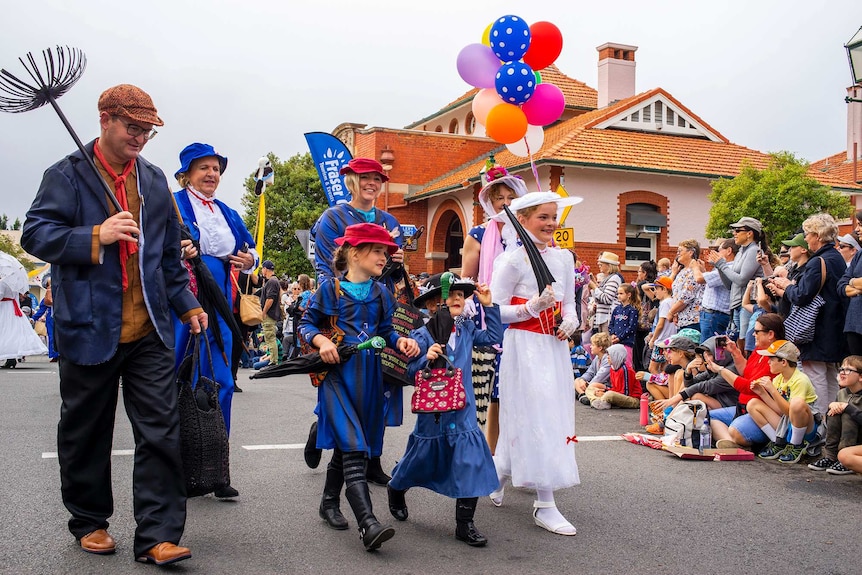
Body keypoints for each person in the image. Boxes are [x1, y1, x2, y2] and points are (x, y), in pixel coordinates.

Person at [21, 84, 207, 566]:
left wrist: (187, 303)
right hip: (88, 326)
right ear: (105, 119)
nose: (142, 137)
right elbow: (36, 233)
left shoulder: (153, 179)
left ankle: (158, 535)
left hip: (149, 329)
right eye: (133, 127)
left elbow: (167, 256)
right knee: (86, 431)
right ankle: (89, 521)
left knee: (161, 432)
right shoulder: (66, 174)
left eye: (148, 129)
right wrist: (94, 235)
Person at [299, 223, 420, 551]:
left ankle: (328, 502)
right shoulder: (331, 289)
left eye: (386, 251)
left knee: (350, 445)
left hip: (370, 378)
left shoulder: (382, 292)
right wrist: (322, 340)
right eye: (378, 250)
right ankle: (368, 523)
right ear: (355, 253)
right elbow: (306, 323)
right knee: (353, 446)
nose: (385, 256)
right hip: (338, 376)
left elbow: (387, 330)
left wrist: (402, 341)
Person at [489, 190, 582, 536]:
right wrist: (529, 308)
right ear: (523, 219)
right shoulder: (511, 261)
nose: (550, 223)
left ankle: (497, 473)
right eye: (543, 217)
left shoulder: (563, 259)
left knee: (551, 413)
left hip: (554, 348)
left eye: (553, 216)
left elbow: (570, 302)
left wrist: (570, 322)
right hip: (523, 346)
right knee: (535, 413)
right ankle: (545, 503)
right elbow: (493, 311)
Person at [307, 158, 404, 485]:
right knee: (345, 383)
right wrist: (338, 301)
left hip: (379, 307)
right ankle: (324, 427)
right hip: (344, 308)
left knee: (382, 386)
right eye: (365, 178)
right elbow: (326, 265)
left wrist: (396, 261)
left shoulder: (389, 220)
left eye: (377, 178)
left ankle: (372, 458)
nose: (371, 184)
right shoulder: (332, 218)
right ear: (351, 181)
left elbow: (388, 267)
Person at [387, 275, 502, 547]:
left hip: (463, 411)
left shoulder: (467, 328)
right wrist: (425, 359)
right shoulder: (422, 334)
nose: (458, 298)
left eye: (462, 294)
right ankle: (396, 486)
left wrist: (490, 305)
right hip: (434, 414)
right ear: (433, 304)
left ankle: (465, 525)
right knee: (420, 460)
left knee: (471, 461)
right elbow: (410, 371)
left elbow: (495, 337)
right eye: (451, 294)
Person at [172, 143, 257, 498]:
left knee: (221, 379)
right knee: (180, 377)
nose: (211, 174)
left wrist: (248, 259)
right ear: (187, 173)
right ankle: (175, 467)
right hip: (183, 296)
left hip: (221, 300)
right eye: (203, 168)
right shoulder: (172, 205)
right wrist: (177, 249)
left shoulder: (228, 212)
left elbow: (250, 249)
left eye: (216, 169)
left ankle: (215, 466)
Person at [459, 165, 528, 456]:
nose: (505, 202)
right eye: (499, 197)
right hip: (487, 317)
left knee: (522, 391)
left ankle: (520, 453)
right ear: (490, 202)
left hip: (524, 316)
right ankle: (489, 452)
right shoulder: (478, 234)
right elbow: (466, 281)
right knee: (490, 392)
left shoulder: (530, 234)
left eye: (510, 195)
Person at [770, 213, 846, 416]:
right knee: (830, 375)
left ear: (817, 236)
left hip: (817, 328)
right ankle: (832, 422)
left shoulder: (818, 261)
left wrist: (787, 287)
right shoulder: (837, 257)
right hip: (835, 325)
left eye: (807, 234)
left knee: (816, 376)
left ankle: (821, 422)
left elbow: (802, 296)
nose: (806, 238)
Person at [706, 313, 784, 450]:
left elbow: (750, 387)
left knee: (736, 430)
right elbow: (746, 373)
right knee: (708, 417)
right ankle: (731, 444)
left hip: (762, 412)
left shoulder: (777, 356)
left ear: (770, 334)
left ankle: (737, 442)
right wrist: (736, 353)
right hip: (743, 406)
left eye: (757, 331)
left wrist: (721, 370)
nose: (753, 335)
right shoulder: (760, 349)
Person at [748, 341, 820, 463]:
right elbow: (780, 410)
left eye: (771, 359)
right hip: (787, 423)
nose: (768, 362)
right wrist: (762, 393)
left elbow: (790, 410)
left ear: (783, 362)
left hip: (806, 429)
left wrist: (772, 390)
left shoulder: (800, 379)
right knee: (753, 404)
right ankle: (779, 442)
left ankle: (797, 445)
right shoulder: (778, 379)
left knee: (797, 403)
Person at [708, 216, 767, 345]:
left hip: (747, 304)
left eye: (738, 230)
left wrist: (722, 265)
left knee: (745, 342)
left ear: (749, 234)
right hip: (736, 304)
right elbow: (730, 284)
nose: (734, 233)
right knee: (738, 342)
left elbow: (741, 281)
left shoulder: (754, 251)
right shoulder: (741, 251)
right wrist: (719, 266)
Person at [808, 355, 862, 474]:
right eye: (841, 369)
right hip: (844, 437)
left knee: (847, 414)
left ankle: (846, 462)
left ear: (861, 377)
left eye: (848, 370)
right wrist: (831, 406)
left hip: (857, 442)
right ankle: (830, 457)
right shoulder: (842, 393)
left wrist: (848, 408)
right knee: (834, 412)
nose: (843, 373)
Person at [693, 239, 736, 341]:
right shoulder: (725, 267)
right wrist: (703, 270)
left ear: (729, 251)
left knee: (708, 350)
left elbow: (699, 279)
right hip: (714, 315)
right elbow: (712, 280)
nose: (716, 253)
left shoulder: (728, 267)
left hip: (714, 315)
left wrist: (694, 267)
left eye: (719, 249)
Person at [585, 343, 642, 410]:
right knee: (591, 387)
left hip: (633, 399)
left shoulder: (626, 370)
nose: (607, 357)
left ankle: (599, 400)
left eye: (610, 355)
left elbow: (626, 393)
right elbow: (614, 388)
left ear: (616, 356)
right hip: (617, 394)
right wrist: (603, 391)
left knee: (609, 395)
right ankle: (596, 400)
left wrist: (604, 393)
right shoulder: (613, 368)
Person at [668, 239, 704, 333]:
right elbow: (676, 294)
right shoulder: (682, 271)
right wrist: (675, 312)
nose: (677, 253)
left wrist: (671, 312)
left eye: (680, 251)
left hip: (692, 321)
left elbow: (686, 297)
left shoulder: (694, 271)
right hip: (682, 320)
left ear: (690, 252)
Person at [839, 214, 862, 355]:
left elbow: (848, 280)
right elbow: (841, 284)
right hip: (853, 324)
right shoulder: (860, 256)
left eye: (860, 224)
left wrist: (852, 281)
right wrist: (856, 285)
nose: (857, 229)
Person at [646, 276, 677, 374]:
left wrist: (653, 339)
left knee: (652, 368)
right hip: (669, 340)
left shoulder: (665, 303)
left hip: (661, 341)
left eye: (657, 289)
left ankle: (659, 385)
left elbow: (660, 324)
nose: (655, 292)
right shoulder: (672, 301)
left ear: (664, 289)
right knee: (665, 369)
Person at [587, 252, 622, 333]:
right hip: (602, 318)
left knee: (606, 343)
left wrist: (594, 287)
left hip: (608, 318)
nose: (599, 266)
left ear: (609, 265)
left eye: (601, 264)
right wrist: (594, 285)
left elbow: (607, 299)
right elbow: (598, 298)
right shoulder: (608, 278)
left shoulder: (614, 278)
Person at [574, 332, 611, 404]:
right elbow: (589, 372)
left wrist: (587, 384)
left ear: (600, 348)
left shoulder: (607, 360)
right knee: (577, 380)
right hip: (595, 384)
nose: (590, 346)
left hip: (605, 385)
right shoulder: (597, 358)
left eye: (593, 345)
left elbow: (599, 378)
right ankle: (583, 395)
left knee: (593, 385)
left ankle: (584, 394)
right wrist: (582, 379)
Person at [608, 283, 639, 368]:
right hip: (615, 342)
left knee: (627, 364)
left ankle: (627, 380)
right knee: (615, 364)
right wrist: (613, 334)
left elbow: (632, 327)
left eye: (621, 293)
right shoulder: (616, 309)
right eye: (618, 293)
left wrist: (620, 337)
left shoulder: (632, 310)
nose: (618, 296)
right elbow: (611, 324)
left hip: (627, 342)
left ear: (629, 295)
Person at [259, 260, 282, 366]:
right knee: (270, 337)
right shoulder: (273, 281)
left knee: (270, 337)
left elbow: (270, 299)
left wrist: (264, 312)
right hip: (272, 314)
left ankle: (273, 361)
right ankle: (273, 360)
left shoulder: (272, 282)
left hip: (269, 314)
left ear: (265, 269)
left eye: (262, 268)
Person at [32, 277, 58, 361]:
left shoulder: (48, 295)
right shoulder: (61, 292)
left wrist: (33, 318)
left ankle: (54, 354)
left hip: (51, 317)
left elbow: (42, 309)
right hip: (61, 317)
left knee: (51, 336)